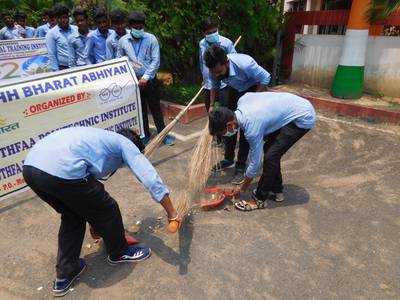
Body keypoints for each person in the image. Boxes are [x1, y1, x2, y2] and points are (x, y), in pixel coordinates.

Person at [23, 127, 180, 297]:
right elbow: (150, 178)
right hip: (62, 170)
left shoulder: (101, 139)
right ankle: (120, 252)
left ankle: (65, 274)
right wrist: (172, 213)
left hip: (31, 169)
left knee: (72, 216)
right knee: (108, 209)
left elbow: (83, 198)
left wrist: (95, 221)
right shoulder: (125, 143)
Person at [208, 92, 316, 211]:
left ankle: (259, 199)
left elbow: (255, 164)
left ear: (230, 125)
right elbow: (265, 110)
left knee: (271, 156)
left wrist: (242, 188)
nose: (225, 136)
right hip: (294, 106)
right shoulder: (242, 100)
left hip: (302, 117)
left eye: (223, 133)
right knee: (270, 150)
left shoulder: (252, 129)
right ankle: (276, 191)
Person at [204, 44, 271, 185]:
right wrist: (211, 105)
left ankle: (241, 166)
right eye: (213, 72)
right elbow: (214, 85)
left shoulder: (245, 64)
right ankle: (228, 159)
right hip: (234, 90)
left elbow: (266, 77)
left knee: (246, 130)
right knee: (228, 123)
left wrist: (253, 99)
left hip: (253, 90)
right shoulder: (214, 68)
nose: (216, 75)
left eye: (219, 71)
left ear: (226, 62)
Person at [118, 11, 174, 145]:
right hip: (134, 81)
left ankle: (163, 135)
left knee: (156, 109)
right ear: (130, 26)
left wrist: (145, 78)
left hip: (150, 81)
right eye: (135, 27)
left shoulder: (151, 39)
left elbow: (156, 61)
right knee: (141, 109)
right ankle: (145, 134)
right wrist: (132, 78)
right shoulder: (123, 41)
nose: (138, 30)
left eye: (140, 27)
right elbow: (120, 60)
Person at [199, 17, 236, 112]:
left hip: (224, 84)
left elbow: (234, 63)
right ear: (204, 33)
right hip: (209, 84)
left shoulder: (226, 43)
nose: (212, 34)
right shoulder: (202, 44)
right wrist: (204, 78)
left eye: (214, 31)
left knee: (222, 109)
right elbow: (202, 62)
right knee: (211, 108)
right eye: (209, 33)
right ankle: (213, 124)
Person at [46, 5, 77, 71]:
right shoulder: (51, 34)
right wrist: (57, 72)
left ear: (68, 17)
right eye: (59, 18)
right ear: (56, 19)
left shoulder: (76, 29)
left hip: (79, 65)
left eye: (65, 17)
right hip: (64, 68)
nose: (62, 20)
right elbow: (52, 55)